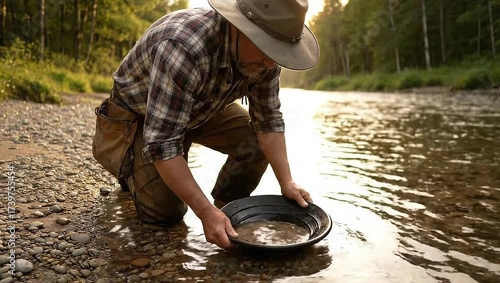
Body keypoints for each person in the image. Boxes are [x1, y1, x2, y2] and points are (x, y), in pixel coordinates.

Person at [93, 0, 320, 249]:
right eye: (268, 49)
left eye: (278, 52)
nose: (271, 64)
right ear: (240, 28)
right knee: (164, 214)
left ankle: (228, 211)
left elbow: (268, 122)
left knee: (256, 143)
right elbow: (163, 142)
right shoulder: (183, 46)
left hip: (201, 108)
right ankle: (131, 169)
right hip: (140, 115)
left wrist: (286, 182)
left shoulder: (266, 61)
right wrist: (203, 210)